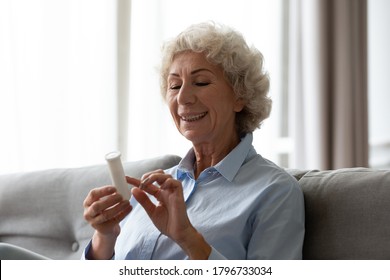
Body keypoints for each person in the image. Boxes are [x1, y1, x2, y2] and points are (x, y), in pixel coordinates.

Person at [82, 22, 305, 260]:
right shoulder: (149, 191)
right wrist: (104, 236)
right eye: (174, 85)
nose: (183, 98)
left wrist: (188, 237)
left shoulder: (274, 191)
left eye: (201, 82)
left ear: (240, 96)